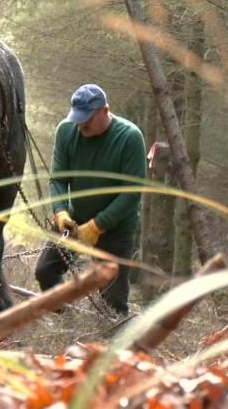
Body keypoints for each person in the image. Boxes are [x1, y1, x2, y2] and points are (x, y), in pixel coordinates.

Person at [34, 83, 147, 315]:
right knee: (46, 269)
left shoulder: (129, 137)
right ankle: (65, 319)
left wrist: (98, 225)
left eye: (87, 118)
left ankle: (112, 343)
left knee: (112, 301)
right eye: (77, 118)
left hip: (115, 230)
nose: (80, 124)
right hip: (73, 224)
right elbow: (57, 180)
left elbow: (132, 192)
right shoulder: (66, 131)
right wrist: (61, 212)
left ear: (105, 111)